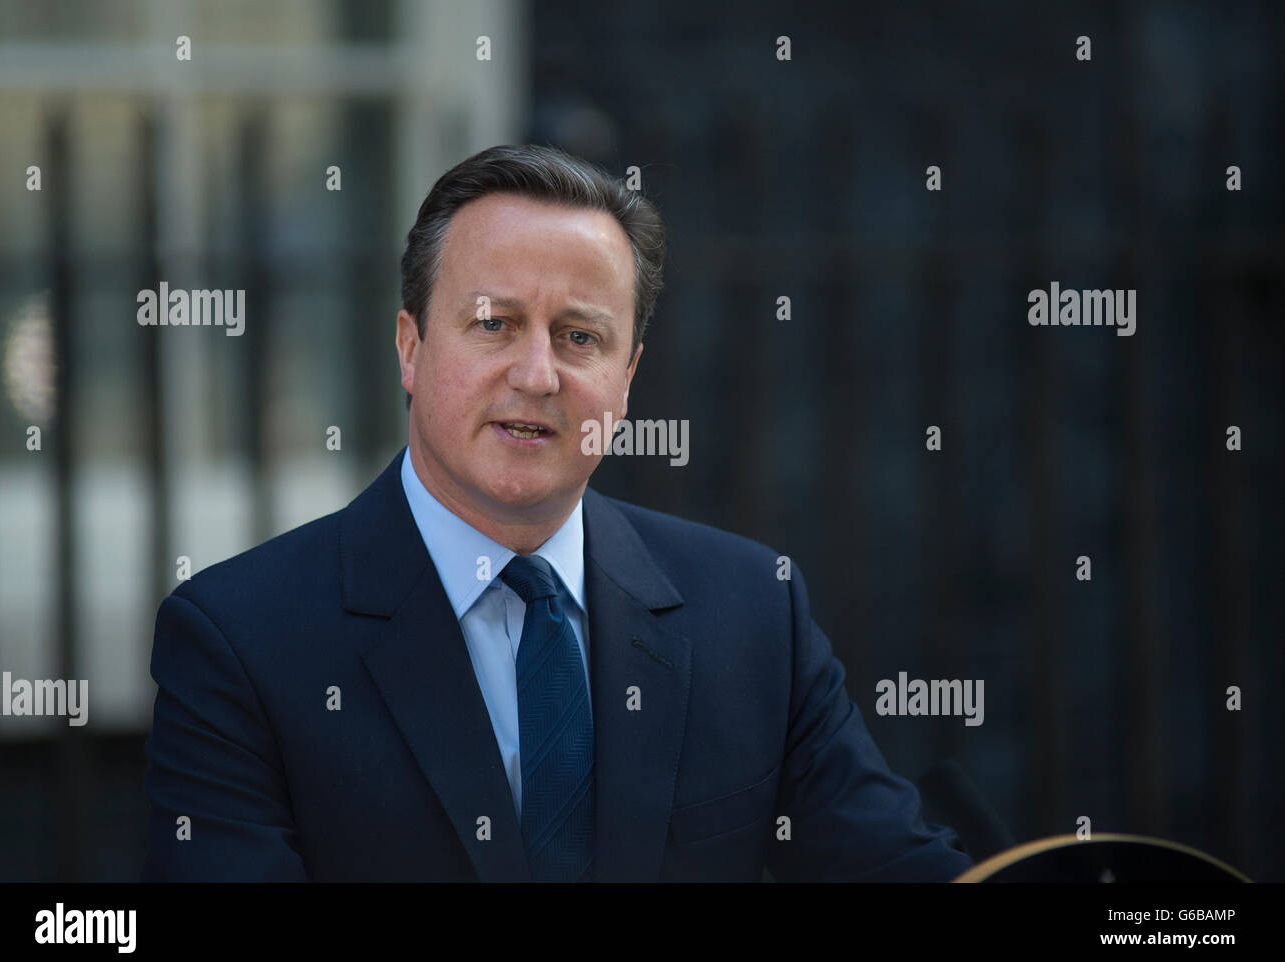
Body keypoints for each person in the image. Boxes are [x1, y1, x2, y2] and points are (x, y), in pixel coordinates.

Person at [142, 143, 973, 882]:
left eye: (580, 337)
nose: (537, 374)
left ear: (628, 375)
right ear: (409, 345)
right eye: (493, 323)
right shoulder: (240, 642)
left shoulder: (753, 612)